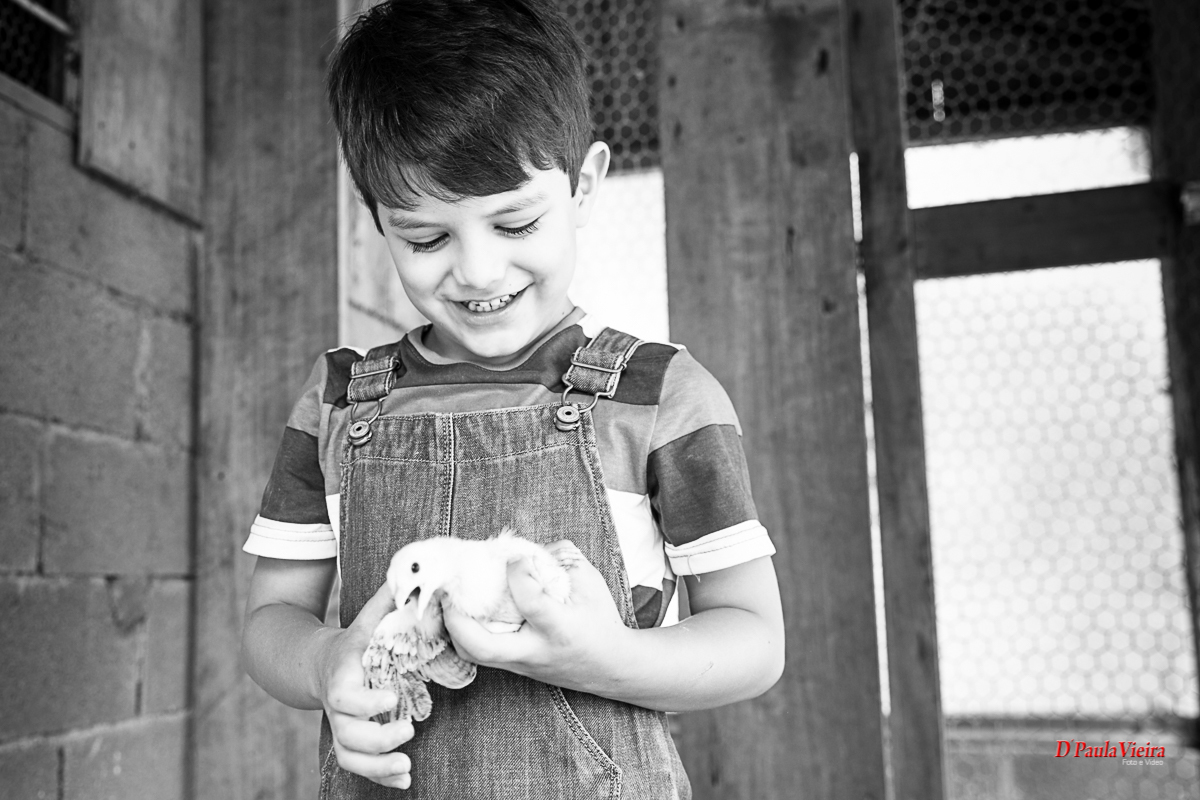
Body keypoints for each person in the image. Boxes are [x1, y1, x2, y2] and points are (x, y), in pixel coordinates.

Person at [239, 1, 784, 797]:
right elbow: (270, 621)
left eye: (516, 223)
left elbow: (755, 639)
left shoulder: (662, 397)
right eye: (426, 238)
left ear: (583, 186)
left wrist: (610, 660)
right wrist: (326, 663)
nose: (479, 271)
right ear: (377, 221)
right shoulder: (338, 403)